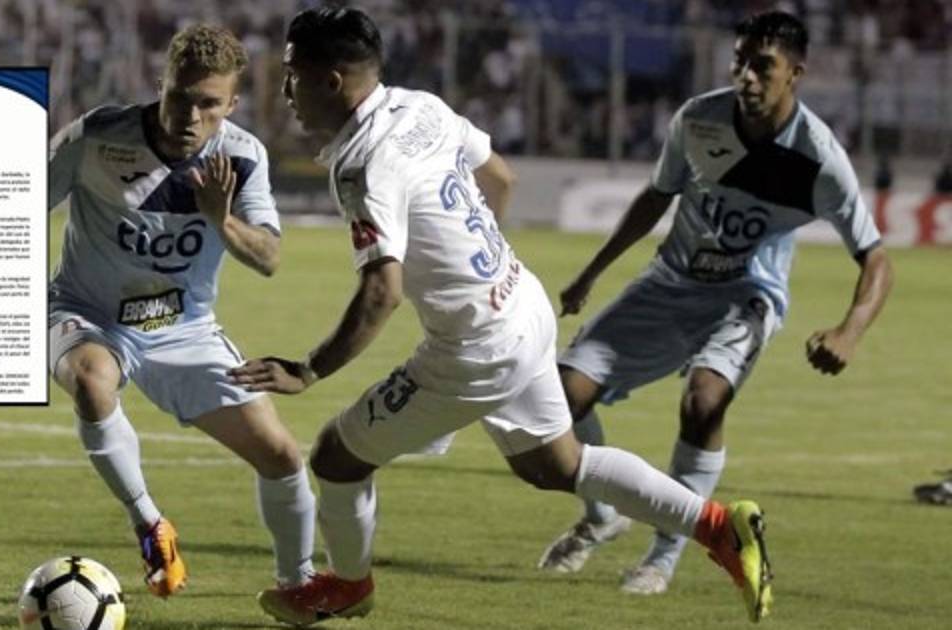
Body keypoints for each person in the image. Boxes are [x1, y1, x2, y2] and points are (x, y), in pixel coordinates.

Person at [231, 7, 772, 626]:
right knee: (557, 465)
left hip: (476, 348)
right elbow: (501, 177)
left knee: (335, 456)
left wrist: (308, 369)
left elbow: (382, 292)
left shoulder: (363, 163)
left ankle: (348, 586)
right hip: (521, 303)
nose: (286, 90)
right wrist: (479, 270)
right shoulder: (421, 107)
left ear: (331, 81)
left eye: (293, 74)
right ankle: (720, 526)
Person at [537, 10, 893, 596]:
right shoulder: (699, 120)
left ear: (795, 73)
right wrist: (590, 273)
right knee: (558, 394)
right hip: (670, 283)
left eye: (763, 66)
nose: (746, 76)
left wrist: (848, 332)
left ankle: (662, 557)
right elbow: (656, 197)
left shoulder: (818, 159)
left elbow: (876, 258)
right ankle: (603, 517)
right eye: (739, 61)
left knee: (704, 400)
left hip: (746, 298)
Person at [47, 24, 315, 598]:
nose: (191, 116)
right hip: (88, 312)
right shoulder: (96, 136)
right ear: (160, 84)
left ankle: (299, 586)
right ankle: (150, 525)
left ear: (231, 105)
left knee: (281, 455)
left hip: (183, 329)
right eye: (180, 97)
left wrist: (221, 217)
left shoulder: (242, 156)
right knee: (92, 381)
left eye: (209, 104)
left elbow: (268, 257)